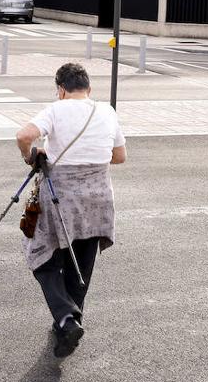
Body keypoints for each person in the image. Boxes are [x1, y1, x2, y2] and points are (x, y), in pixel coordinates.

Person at [14, 62, 126, 358]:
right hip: (99, 197)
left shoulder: (56, 109)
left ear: (61, 89)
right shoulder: (106, 111)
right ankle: (70, 323)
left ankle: (65, 316)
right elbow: (120, 156)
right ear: (89, 89)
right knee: (83, 261)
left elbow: (24, 136)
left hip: (61, 197)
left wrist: (32, 156)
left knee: (41, 254)